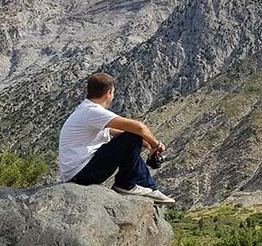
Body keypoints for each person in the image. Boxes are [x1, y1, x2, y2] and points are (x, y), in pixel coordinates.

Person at [58, 72, 175, 204]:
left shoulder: (85, 111)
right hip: (81, 174)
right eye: (113, 92)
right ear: (108, 92)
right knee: (133, 134)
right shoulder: (92, 111)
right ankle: (128, 185)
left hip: (77, 173)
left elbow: (116, 133)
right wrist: (155, 144)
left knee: (133, 136)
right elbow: (139, 127)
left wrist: (146, 144)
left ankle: (147, 186)